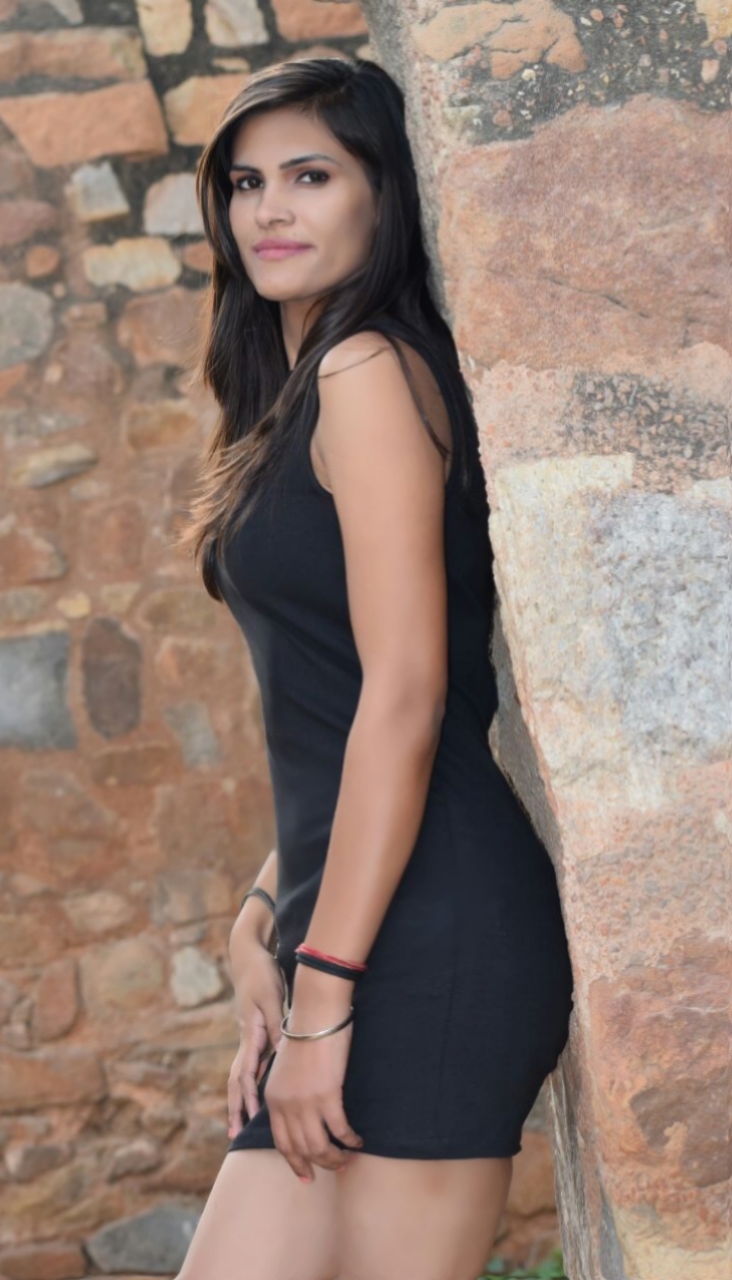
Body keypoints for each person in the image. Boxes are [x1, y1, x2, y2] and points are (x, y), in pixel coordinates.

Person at [174, 54, 574, 1280]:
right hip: (348, 923)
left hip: (428, 930)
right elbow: (329, 705)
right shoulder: (299, 396)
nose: (269, 209)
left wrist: (324, 995)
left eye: (311, 175)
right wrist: (262, 916)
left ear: (382, 195)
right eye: (246, 183)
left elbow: (405, 695)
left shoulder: (366, 372)